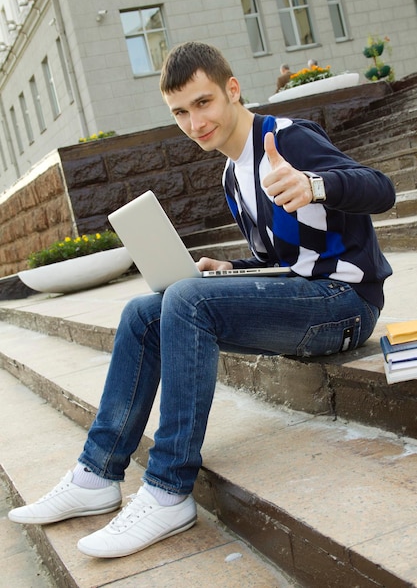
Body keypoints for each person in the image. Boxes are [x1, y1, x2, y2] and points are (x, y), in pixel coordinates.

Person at [8, 41, 396, 559]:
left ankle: (168, 489)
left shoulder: (288, 140)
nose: (195, 123)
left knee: (188, 301)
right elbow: (282, 257)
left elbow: (382, 188)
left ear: (233, 90)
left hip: (345, 304)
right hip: (305, 296)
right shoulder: (231, 176)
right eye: (180, 113)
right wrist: (232, 269)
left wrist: (315, 184)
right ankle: (95, 475)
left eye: (204, 103)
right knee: (145, 310)